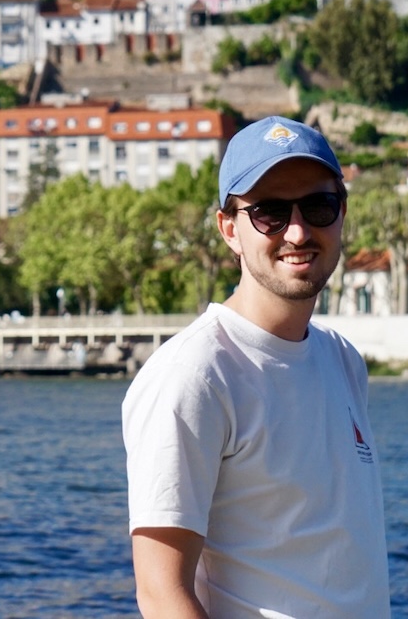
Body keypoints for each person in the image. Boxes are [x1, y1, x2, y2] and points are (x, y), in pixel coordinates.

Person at [122, 116, 390, 618]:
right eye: (268, 213)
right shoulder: (194, 375)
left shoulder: (343, 360)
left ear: (341, 213)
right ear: (229, 229)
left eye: (318, 206)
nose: (297, 230)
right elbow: (161, 594)